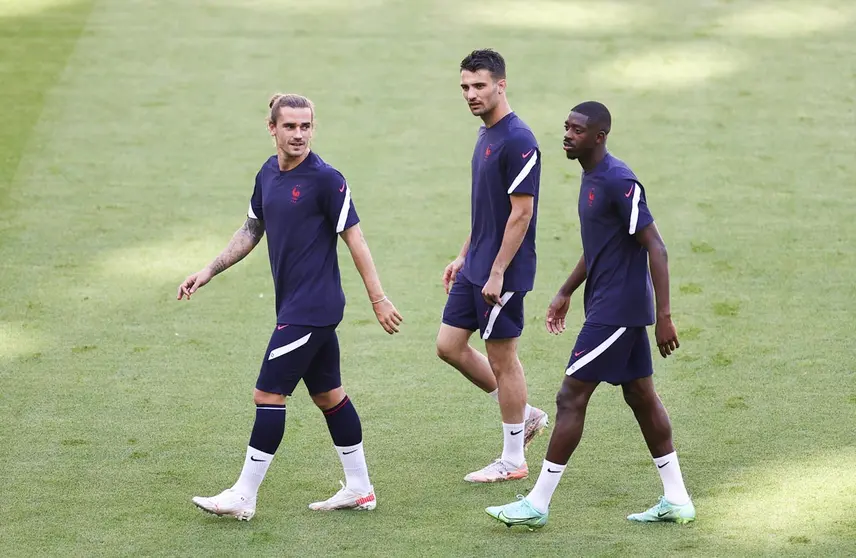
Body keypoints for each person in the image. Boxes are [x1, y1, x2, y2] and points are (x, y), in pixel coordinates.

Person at [177, 93, 403, 520]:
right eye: (290, 126)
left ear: (313, 128)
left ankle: (244, 494)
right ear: (273, 128)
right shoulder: (267, 173)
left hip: (311, 308)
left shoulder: (326, 179)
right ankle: (360, 488)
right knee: (329, 395)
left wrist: (378, 298)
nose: (299, 135)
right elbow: (250, 229)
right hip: (296, 307)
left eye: (306, 126)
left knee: (267, 393)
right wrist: (208, 270)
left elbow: (355, 238)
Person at [486, 101, 695, 528]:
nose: (567, 135)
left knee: (569, 396)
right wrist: (565, 290)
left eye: (577, 130)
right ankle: (677, 499)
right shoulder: (591, 177)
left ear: (600, 136)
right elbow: (601, 244)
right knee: (640, 397)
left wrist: (665, 316)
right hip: (611, 306)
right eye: (566, 127)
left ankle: (537, 504)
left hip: (618, 311)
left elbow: (656, 246)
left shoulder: (619, 180)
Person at [436, 48, 549, 484]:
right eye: (465, 87)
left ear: (501, 85)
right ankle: (529, 414)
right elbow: (487, 210)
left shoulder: (518, 139)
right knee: (449, 346)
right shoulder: (486, 135)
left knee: (504, 360)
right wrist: (464, 255)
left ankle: (513, 458)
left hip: (502, 272)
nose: (470, 94)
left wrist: (498, 270)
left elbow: (521, 213)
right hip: (477, 265)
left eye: (479, 85)